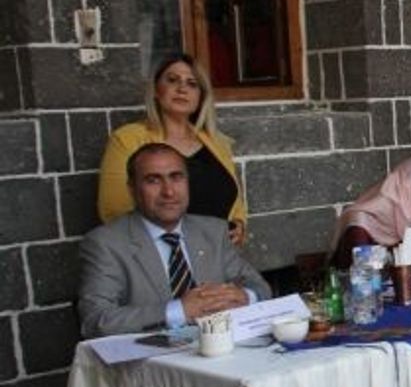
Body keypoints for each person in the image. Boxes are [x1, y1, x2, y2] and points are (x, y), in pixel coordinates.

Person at [79, 143, 271, 337]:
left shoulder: (213, 231)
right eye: (153, 180)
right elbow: (96, 321)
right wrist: (179, 311)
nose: (169, 192)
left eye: (176, 177)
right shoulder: (105, 243)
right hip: (154, 354)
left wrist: (245, 297)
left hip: (220, 347)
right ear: (132, 189)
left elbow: (260, 287)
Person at [97, 54, 248, 245]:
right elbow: (114, 210)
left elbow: (235, 200)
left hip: (217, 254)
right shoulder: (127, 139)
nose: (182, 88)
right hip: (160, 255)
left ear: (201, 96)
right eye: (172, 80)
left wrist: (239, 224)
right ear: (156, 90)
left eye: (192, 84)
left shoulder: (217, 143)